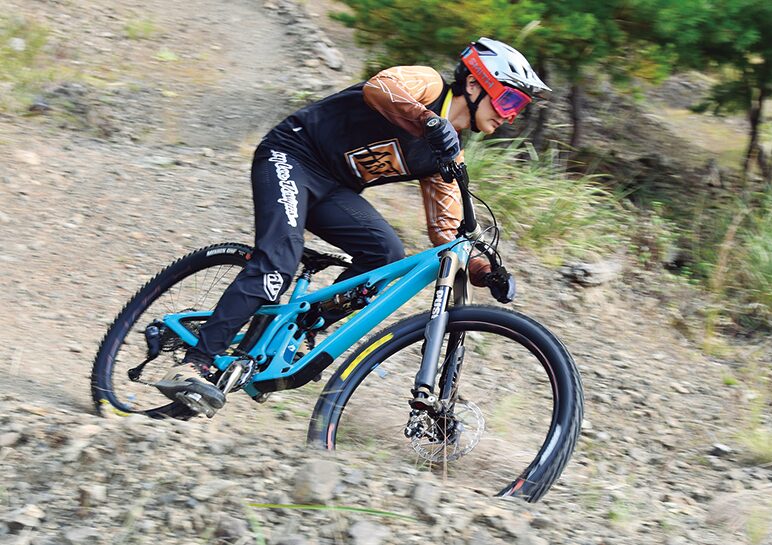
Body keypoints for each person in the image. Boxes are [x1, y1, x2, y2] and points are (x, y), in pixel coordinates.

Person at [154, 37, 551, 416]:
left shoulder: (445, 154)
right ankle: (194, 364)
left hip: (334, 190)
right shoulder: (428, 85)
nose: (510, 114)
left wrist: (483, 271)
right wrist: (429, 120)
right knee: (278, 262)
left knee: (385, 254)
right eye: (509, 99)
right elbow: (381, 87)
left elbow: (446, 231)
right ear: (475, 83)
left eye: (518, 107)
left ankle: (300, 332)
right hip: (291, 156)